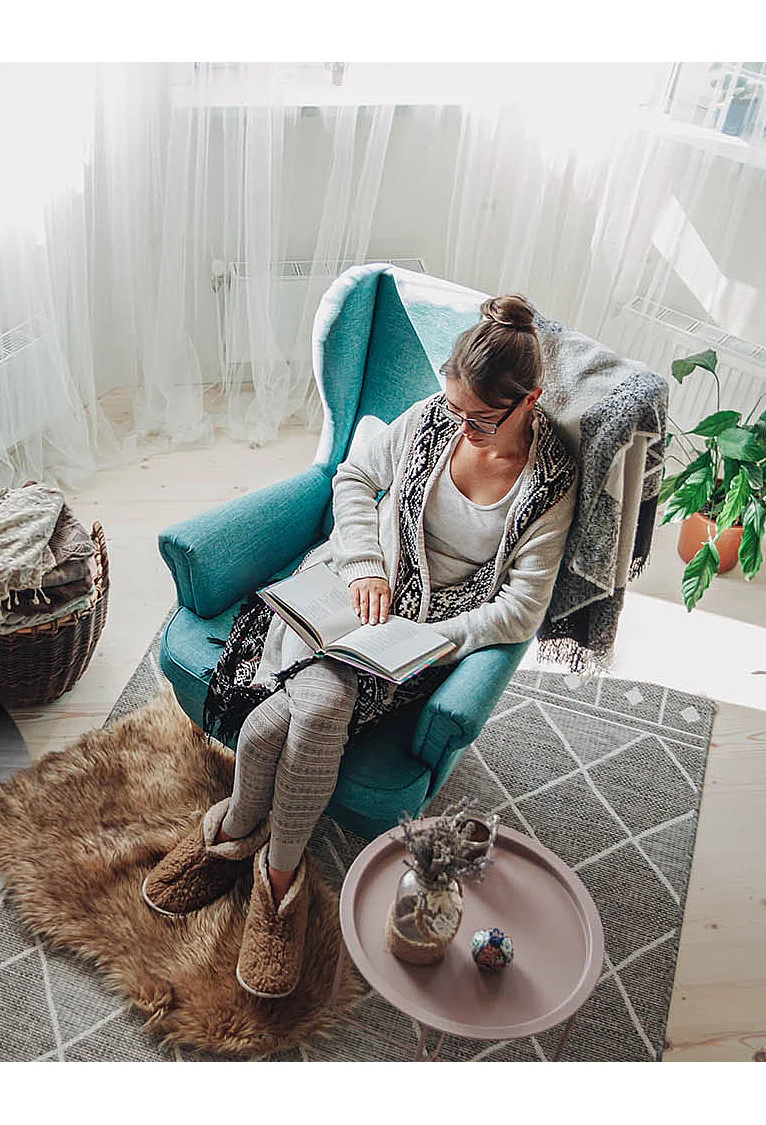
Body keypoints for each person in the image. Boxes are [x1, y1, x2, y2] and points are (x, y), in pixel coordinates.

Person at [142, 293, 579, 999]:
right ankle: (271, 874)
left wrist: (435, 641)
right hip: (351, 582)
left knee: (288, 721)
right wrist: (366, 566)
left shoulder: (550, 482)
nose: (460, 429)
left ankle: (246, 851)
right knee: (312, 711)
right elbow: (353, 476)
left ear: (528, 400)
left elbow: (521, 608)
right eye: (453, 408)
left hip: (426, 633)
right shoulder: (437, 417)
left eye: (479, 419)